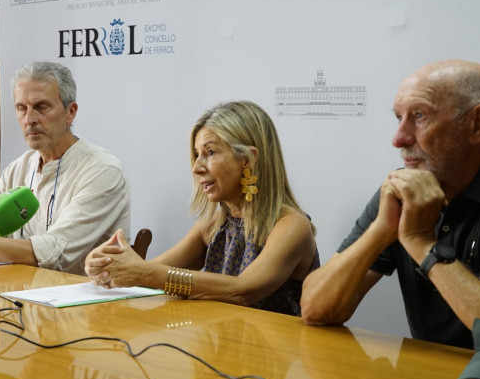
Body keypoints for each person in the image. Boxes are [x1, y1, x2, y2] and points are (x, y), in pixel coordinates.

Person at [301, 59, 480, 348]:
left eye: (419, 116)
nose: (398, 139)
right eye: (399, 118)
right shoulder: (403, 188)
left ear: (477, 124)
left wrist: (422, 245)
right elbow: (314, 308)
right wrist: (380, 231)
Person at [85, 100, 318, 316]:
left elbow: (243, 290)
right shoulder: (213, 225)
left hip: (272, 356)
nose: (196, 168)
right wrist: (106, 266)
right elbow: (148, 272)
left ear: (247, 160)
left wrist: (140, 272)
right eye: (197, 155)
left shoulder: (292, 225)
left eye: (210, 153)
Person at [0, 61, 131, 276]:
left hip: (87, 304)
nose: (29, 119)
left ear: (70, 112)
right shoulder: (19, 168)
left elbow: (49, 254)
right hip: (22, 296)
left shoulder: (103, 171)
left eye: (41, 107)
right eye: (21, 108)